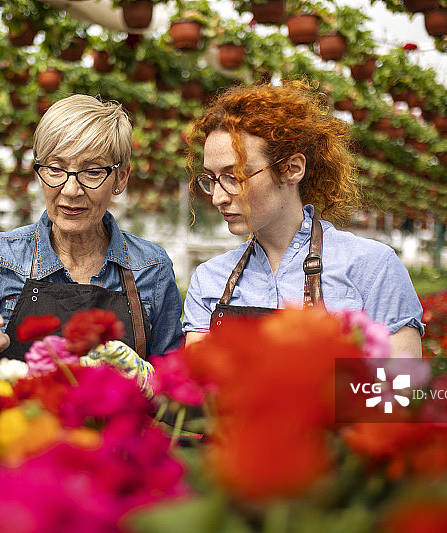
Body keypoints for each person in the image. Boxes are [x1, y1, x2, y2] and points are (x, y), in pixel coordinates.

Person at [182, 81, 424, 357]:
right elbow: (195, 391)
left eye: (233, 177)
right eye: (211, 179)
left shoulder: (372, 268)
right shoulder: (210, 279)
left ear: (292, 169)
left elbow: (399, 391)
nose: (217, 197)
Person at [0, 94, 183, 359]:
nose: (70, 190)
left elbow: (172, 384)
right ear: (39, 173)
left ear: (120, 178)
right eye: (55, 168)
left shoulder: (151, 268)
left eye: (92, 171)